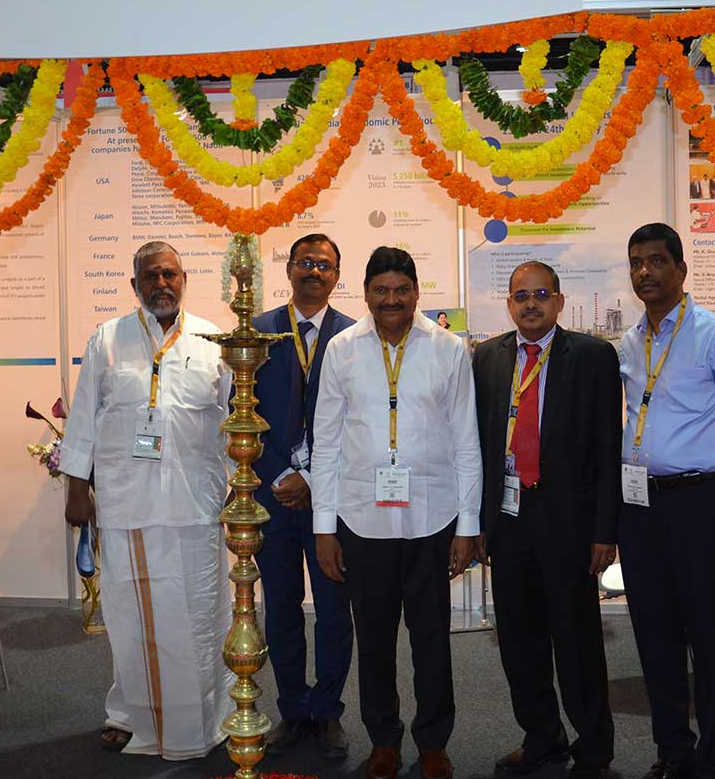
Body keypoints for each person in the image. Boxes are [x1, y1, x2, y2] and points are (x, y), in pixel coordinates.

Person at [310, 246, 481, 779]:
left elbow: (467, 441)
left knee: (432, 640)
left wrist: (468, 526)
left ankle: (433, 741)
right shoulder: (341, 349)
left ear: (416, 293)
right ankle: (383, 739)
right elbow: (325, 444)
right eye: (381, 290)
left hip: (433, 518)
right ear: (365, 294)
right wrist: (324, 528)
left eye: (401, 290)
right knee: (375, 640)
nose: (391, 300)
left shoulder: (448, 348)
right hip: (362, 520)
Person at [61, 241, 235, 760]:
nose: (161, 283)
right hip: (127, 503)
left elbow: (232, 423)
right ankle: (130, 714)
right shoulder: (107, 339)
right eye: (150, 275)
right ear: (134, 284)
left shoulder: (212, 341)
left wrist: (235, 487)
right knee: (130, 617)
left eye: (169, 274)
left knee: (199, 615)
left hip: (194, 505)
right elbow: (84, 416)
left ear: (184, 280)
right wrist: (77, 489)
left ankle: (205, 718)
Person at [617, 223, 715, 779]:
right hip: (640, 506)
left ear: (680, 269)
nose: (645, 272)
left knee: (711, 634)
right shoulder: (629, 343)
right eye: (636, 262)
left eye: (656, 261)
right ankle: (672, 750)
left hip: (702, 502)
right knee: (654, 634)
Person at [473, 261, 621, 779]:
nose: (531, 304)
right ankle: (542, 738)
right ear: (509, 304)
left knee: (576, 640)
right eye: (521, 296)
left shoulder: (594, 356)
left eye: (541, 295)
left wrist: (605, 531)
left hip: (569, 523)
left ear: (559, 301)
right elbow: (479, 445)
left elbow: (608, 448)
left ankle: (594, 750)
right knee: (518, 640)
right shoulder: (487, 358)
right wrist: (478, 523)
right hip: (510, 519)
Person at [252, 234, 355, 759]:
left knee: (335, 611)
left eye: (325, 265)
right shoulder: (257, 332)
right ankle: (293, 709)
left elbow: (359, 421)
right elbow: (242, 413)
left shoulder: (354, 336)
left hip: (332, 500)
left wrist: (313, 478)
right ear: (289, 269)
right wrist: (279, 476)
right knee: (281, 608)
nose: (314, 271)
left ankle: (328, 712)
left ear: (337, 275)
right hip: (274, 497)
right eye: (305, 262)